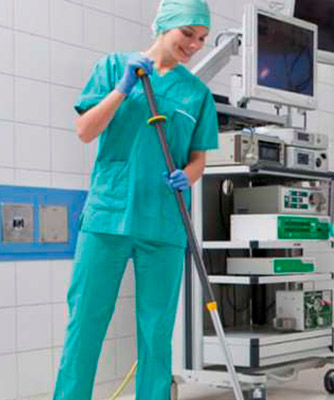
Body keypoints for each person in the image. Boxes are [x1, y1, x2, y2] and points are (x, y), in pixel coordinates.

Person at [52, 1, 217, 399]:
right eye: (188, 34)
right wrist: (122, 89)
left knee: (156, 332)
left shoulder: (198, 94)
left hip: (164, 222)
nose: (195, 45)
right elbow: (85, 130)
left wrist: (188, 176)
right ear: (163, 25)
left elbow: (198, 159)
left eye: (201, 38)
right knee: (85, 322)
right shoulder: (113, 67)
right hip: (108, 216)